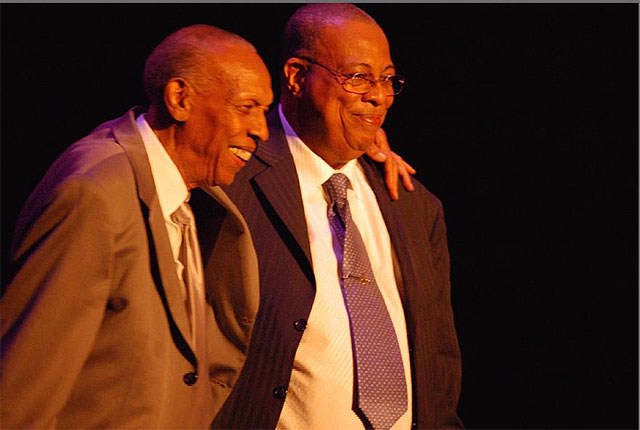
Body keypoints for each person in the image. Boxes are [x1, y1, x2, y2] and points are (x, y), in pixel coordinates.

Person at [1, 24, 272, 428]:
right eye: (247, 107)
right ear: (180, 99)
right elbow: (24, 388)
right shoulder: (95, 194)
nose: (261, 130)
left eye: (264, 111)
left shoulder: (187, 197)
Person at [209, 4, 463, 429]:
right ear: (296, 77)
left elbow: (439, 368)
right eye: (358, 77)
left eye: (387, 80)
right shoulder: (231, 181)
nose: (378, 96)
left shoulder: (414, 206)